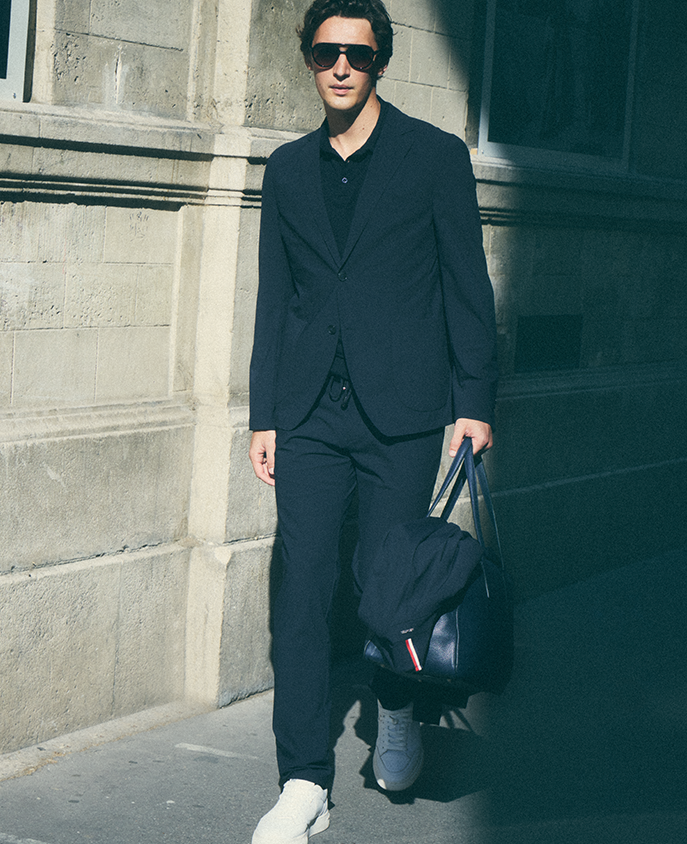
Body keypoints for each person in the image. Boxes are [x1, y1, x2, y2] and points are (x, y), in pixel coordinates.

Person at [248, 1, 497, 841]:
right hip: (311, 410)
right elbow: (275, 303)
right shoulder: (285, 170)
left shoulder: (434, 158)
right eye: (326, 52)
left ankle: (396, 712)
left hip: (403, 411)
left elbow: (468, 286)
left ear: (381, 59)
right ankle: (303, 782)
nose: (341, 66)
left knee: (387, 588)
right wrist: (265, 414)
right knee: (305, 587)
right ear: (310, 62)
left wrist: (474, 404)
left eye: (358, 51)